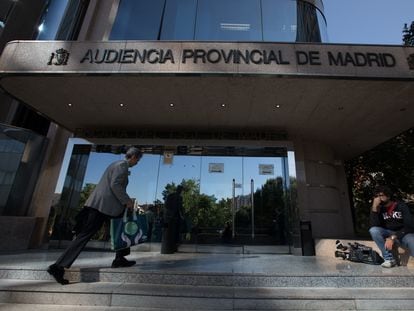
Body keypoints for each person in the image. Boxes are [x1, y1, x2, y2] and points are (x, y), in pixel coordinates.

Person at [47, 147, 143, 284]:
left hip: (107, 206)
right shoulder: (121, 165)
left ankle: (119, 258)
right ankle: (58, 266)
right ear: (133, 157)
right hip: (102, 206)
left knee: (120, 230)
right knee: (86, 235)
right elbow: (115, 185)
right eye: (137, 160)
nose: (137, 163)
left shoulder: (116, 165)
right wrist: (127, 201)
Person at [369, 185, 414, 268]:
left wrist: (393, 237)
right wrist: (374, 208)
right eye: (376, 196)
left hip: (403, 233)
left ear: (388, 196)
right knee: (373, 230)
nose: (379, 198)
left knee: (412, 239)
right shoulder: (379, 209)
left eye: (381, 195)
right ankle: (389, 259)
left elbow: (410, 226)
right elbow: (373, 226)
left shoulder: (401, 206)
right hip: (387, 232)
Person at [161, 185, 184, 254]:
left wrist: (181, 216)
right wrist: (169, 214)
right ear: (178, 189)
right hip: (170, 217)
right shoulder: (171, 196)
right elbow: (167, 205)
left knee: (176, 233)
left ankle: (173, 247)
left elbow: (180, 207)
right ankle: (169, 248)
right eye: (180, 190)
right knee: (171, 233)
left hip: (175, 217)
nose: (180, 191)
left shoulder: (179, 197)